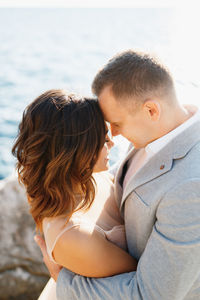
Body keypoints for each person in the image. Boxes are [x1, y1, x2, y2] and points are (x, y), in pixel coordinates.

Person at [36, 50, 200, 300]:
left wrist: (64, 280)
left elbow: (151, 295)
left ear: (151, 111)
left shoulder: (190, 186)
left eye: (117, 124)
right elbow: (128, 181)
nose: (111, 134)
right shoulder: (158, 128)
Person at [12, 89, 137, 300]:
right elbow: (142, 278)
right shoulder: (71, 234)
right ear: (75, 149)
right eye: (102, 138)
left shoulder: (86, 178)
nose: (112, 143)